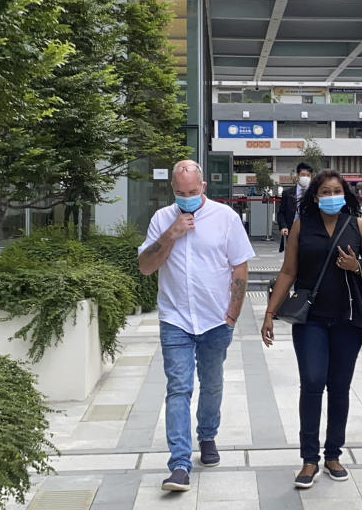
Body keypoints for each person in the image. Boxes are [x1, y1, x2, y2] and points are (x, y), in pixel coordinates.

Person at [138, 160, 255, 493]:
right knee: (178, 387)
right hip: (175, 319)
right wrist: (170, 235)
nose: (187, 197)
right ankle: (178, 464)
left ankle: (207, 435)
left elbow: (240, 270)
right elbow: (146, 267)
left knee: (212, 382)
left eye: (192, 191)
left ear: (203, 187)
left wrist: (232, 315)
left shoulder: (225, 218)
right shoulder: (162, 219)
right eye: (180, 193)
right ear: (172, 190)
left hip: (215, 320)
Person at [262, 170, 362, 489]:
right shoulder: (303, 226)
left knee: (339, 386)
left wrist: (356, 266)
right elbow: (288, 270)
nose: (332, 196)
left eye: (337, 191)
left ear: (345, 194)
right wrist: (270, 312)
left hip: (348, 320)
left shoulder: (359, 226)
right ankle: (308, 459)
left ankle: (333, 454)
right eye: (326, 192)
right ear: (315, 197)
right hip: (311, 319)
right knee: (313, 382)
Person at [277, 162, 314, 252]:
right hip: (291, 231)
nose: (305, 177)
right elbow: (281, 213)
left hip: (310, 232)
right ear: (297, 175)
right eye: (303, 175)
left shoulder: (315, 193)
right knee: (292, 259)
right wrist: (283, 226)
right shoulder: (288, 193)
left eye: (308, 175)